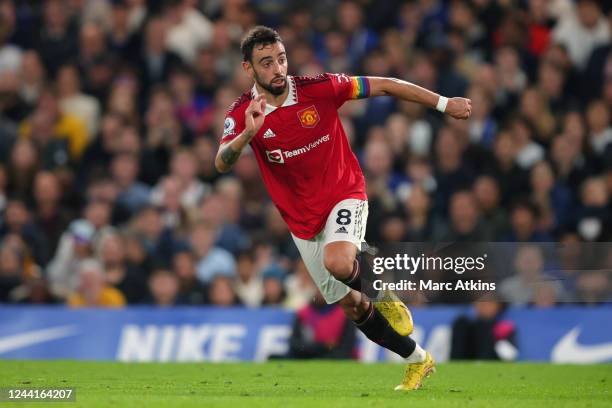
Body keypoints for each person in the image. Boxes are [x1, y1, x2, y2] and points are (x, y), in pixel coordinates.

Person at [215, 26, 472, 390]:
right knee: (352, 307)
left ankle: (385, 293)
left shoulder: (319, 88)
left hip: (344, 192)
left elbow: (383, 84)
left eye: (282, 59)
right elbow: (221, 163)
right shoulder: (242, 113)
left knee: (339, 263)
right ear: (248, 68)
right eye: (267, 62)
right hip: (302, 222)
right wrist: (247, 135)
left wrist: (444, 103)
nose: (278, 69)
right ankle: (418, 359)